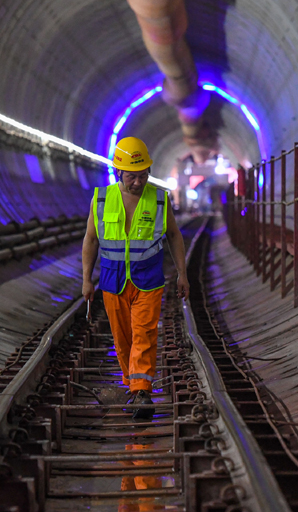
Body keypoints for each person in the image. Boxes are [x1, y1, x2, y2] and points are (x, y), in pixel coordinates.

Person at [82, 136, 189, 420]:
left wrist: (182, 273)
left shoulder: (159, 199)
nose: (138, 182)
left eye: (143, 176)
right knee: (123, 339)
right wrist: (86, 280)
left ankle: (142, 392)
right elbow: (91, 240)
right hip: (112, 281)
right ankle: (133, 386)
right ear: (119, 172)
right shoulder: (102, 198)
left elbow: (174, 235)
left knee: (144, 333)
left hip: (148, 280)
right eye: (132, 176)